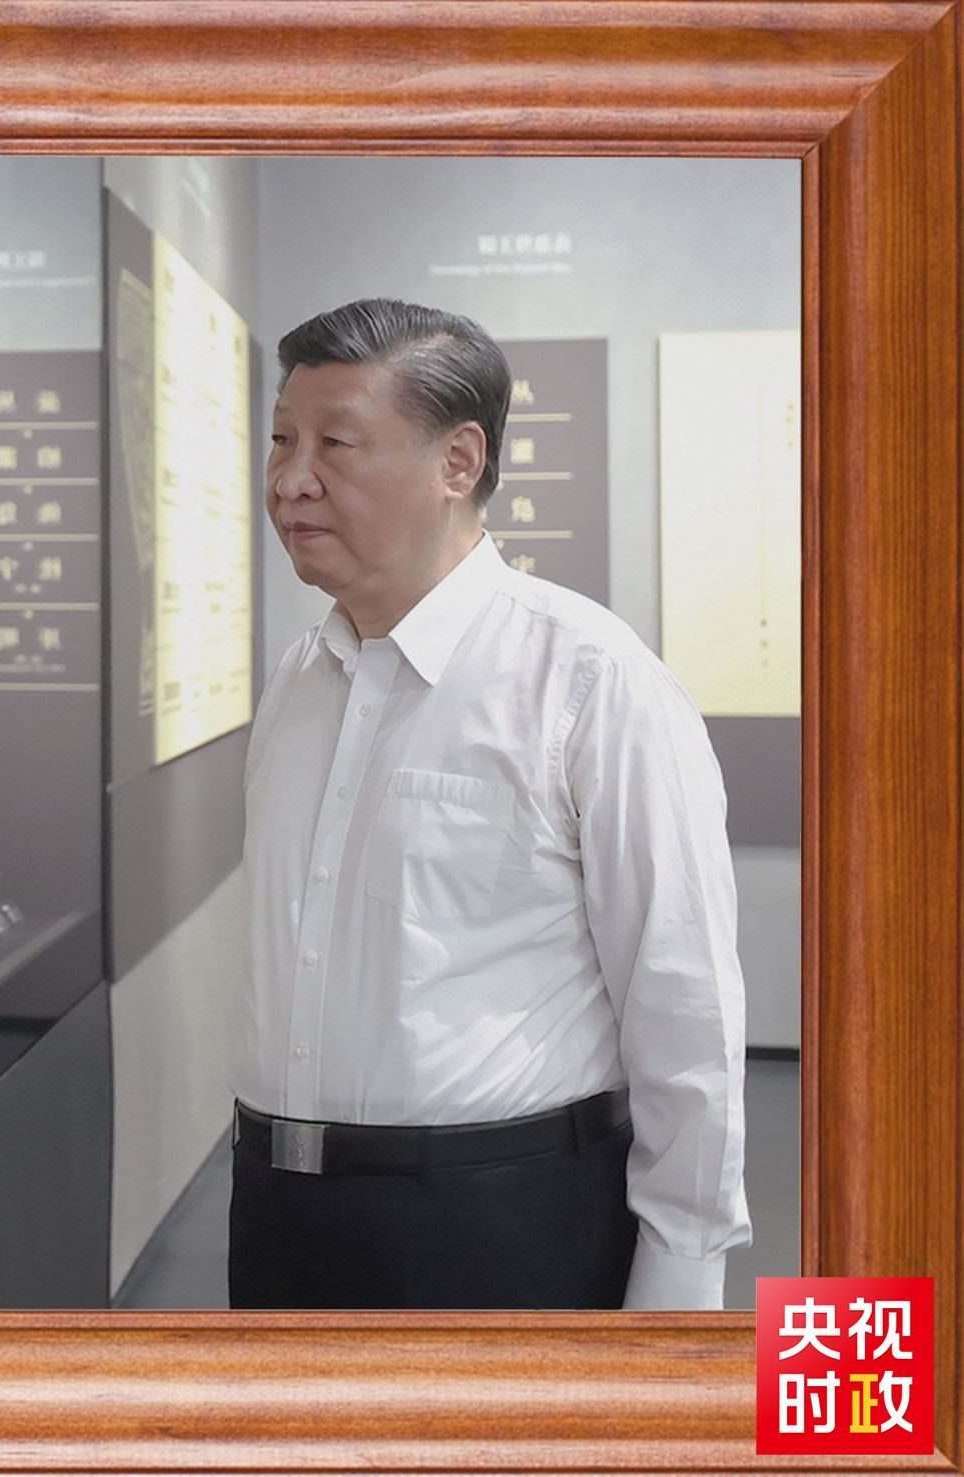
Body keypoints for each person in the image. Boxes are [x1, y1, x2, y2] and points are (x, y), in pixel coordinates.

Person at [236, 297, 751, 1310]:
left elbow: (684, 1006)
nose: (291, 479)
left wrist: (676, 1298)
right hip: (278, 1212)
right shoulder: (299, 679)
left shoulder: (589, 681)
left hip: (499, 1223)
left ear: (458, 461)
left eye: (335, 443)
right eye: (282, 440)